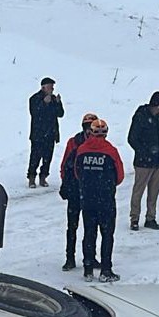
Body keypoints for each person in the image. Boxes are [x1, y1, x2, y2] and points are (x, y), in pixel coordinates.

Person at [67, 117, 125, 282]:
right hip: (106, 199)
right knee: (107, 234)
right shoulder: (111, 151)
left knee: (89, 233)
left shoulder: (82, 150)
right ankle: (106, 270)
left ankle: (88, 269)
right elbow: (119, 175)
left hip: (88, 199)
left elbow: (77, 172)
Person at [57, 113, 96, 271]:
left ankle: (90, 257)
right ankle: (70, 258)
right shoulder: (73, 142)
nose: (89, 130)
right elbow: (64, 165)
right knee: (72, 226)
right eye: (88, 127)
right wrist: (65, 184)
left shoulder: (98, 144)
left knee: (90, 227)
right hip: (76, 190)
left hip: (89, 191)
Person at [126, 92, 159, 230]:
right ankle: (134, 218)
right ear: (156, 105)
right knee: (138, 190)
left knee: (154, 192)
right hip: (143, 162)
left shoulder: (158, 118)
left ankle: (151, 217)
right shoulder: (141, 116)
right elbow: (132, 138)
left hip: (157, 161)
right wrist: (145, 152)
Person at [27, 77, 65, 187]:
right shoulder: (34, 99)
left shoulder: (53, 99)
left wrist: (58, 103)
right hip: (38, 135)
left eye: (53, 87)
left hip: (51, 134)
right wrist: (44, 103)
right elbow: (35, 113)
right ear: (43, 87)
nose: (52, 89)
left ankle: (43, 177)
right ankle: (32, 177)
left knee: (48, 158)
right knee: (35, 157)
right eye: (50, 86)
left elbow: (60, 114)